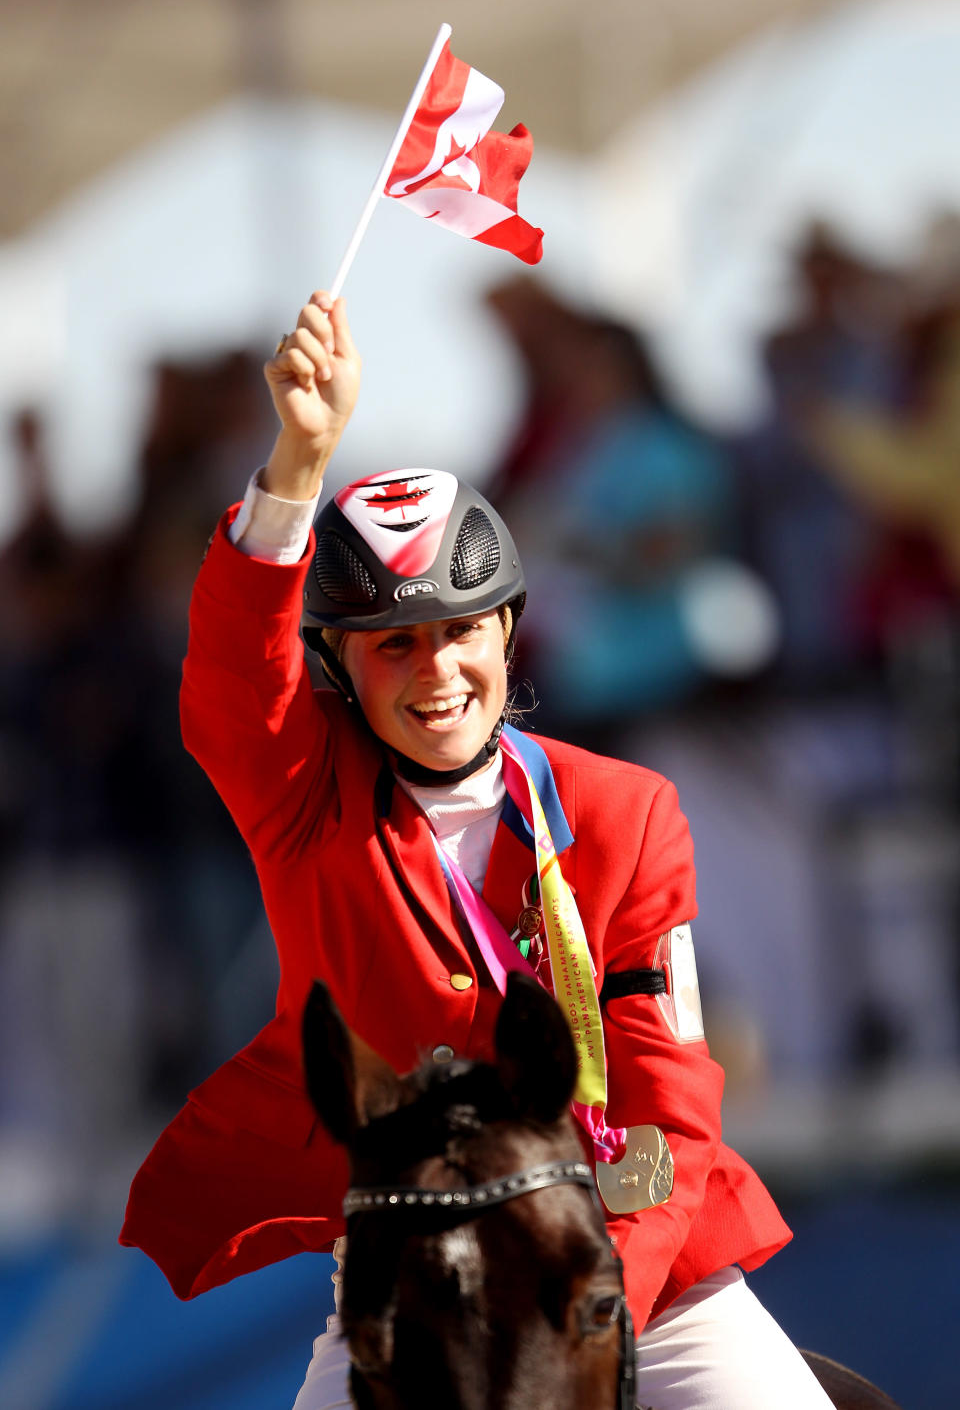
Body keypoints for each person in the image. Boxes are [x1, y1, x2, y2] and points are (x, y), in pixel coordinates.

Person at [120, 291, 834, 1408]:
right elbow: (227, 674)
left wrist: (595, 1296)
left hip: (642, 1265)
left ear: (507, 626)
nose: (436, 672)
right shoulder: (303, 797)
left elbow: (670, 1095)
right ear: (341, 668)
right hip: (414, 1270)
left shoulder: (626, 809)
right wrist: (300, 460)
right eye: (394, 646)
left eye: (460, 631)